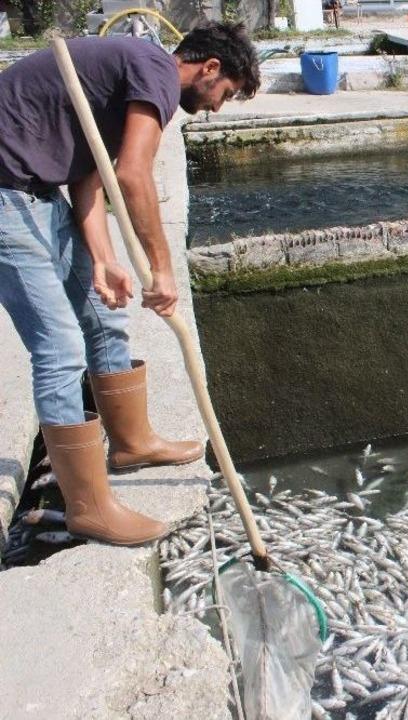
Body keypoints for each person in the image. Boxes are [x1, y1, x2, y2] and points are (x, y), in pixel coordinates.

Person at [0, 23, 260, 545]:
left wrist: (103, 259)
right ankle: (88, 507)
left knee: (103, 312)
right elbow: (134, 175)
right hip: (5, 193)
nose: (218, 108)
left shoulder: (126, 74)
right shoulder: (155, 71)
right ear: (209, 68)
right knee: (59, 347)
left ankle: (131, 442)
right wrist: (160, 268)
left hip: (39, 192)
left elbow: (89, 177)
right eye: (225, 94)